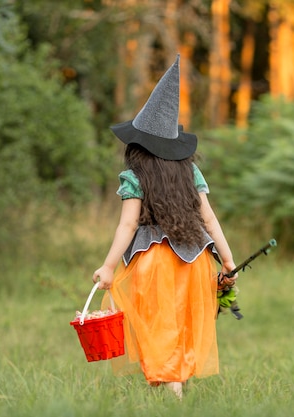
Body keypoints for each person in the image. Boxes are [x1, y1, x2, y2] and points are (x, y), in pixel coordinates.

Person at [92, 55, 237, 399]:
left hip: (152, 262)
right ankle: (177, 386)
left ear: (137, 145)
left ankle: (169, 388)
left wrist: (109, 266)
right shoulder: (190, 173)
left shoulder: (134, 176)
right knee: (185, 323)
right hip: (194, 260)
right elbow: (209, 220)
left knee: (158, 324)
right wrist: (228, 261)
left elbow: (128, 225)